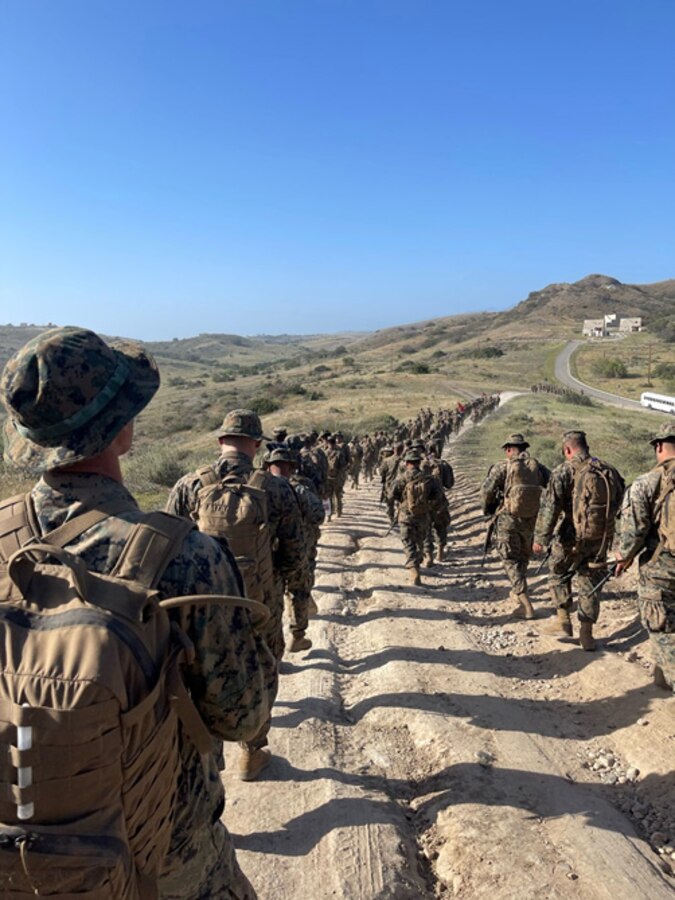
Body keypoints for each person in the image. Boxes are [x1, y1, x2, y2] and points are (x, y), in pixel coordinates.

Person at [0, 327, 270, 899]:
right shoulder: (185, 556)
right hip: (162, 851)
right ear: (121, 431)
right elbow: (242, 718)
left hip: (16, 857)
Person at [166, 409, 304, 781]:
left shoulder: (190, 485)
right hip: (260, 601)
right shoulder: (276, 488)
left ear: (221, 441)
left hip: (203, 605)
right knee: (261, 669)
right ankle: (252, 751)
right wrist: (286, 588)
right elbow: (294, 550)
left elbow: (168, 549)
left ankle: (209, 755)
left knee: (201, 673)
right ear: (257, 445)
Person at [533, 430, 624, 650]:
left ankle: (563, 620)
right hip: (600, 539)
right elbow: (621, 502)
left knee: (558, 573)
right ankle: (586, 633)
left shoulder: (563, 470)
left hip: (569, 537)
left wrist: (541, 538)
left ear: (567, 449)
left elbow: (550, 507)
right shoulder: (609, 470)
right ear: (586, 447)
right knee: (590, 582)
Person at [615, 424, 675, 690]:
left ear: (659, 446)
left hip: (662, 568)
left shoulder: (646, 482)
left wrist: (624, 557)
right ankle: (661, 678)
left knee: (663, 631)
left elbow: (634, 530)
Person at [481, 433, 550, 619]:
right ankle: (517, 588)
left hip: (507, 518)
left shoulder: (502, 467)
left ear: (509, 449)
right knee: (523, 555)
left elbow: (487, 491)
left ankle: (525, 603)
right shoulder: (537, 467)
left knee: (510, 559)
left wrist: (488, 511)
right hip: (531, 519)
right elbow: (551, 485)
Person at [264, 445, 325, 652]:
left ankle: (271, 646)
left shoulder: (259, 489)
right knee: (298, 592)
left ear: (268, 466)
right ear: (291, 467)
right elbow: (319, 516)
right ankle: (297, 636)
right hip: (297, 552)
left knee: (272, 601)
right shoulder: (299, 488)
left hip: (268, 557)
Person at [390, 449, 444, 585]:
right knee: (419, 542)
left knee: (408, 543)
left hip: (405, 516)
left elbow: (391, 494)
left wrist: (402, 501)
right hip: (423, 516)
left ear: (407, 463)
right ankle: (418, 561)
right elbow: (438, 496)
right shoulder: (429, 478)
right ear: (419, 463)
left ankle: (414, 570)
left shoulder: (401, 477)